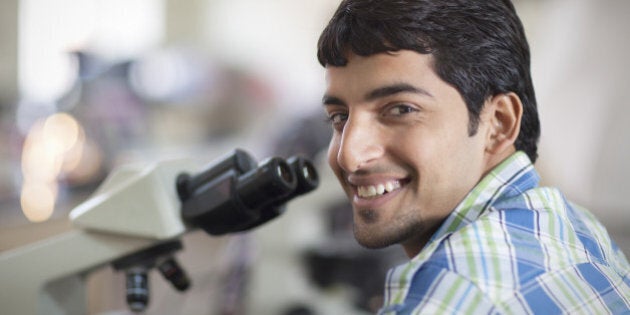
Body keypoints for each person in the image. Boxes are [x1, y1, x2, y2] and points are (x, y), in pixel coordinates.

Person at [316, 0, 630, 313]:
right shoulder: (576, 228)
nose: (349, 156)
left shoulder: (449, 297)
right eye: (339, 117)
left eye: (401, 110)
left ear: (499, 123)